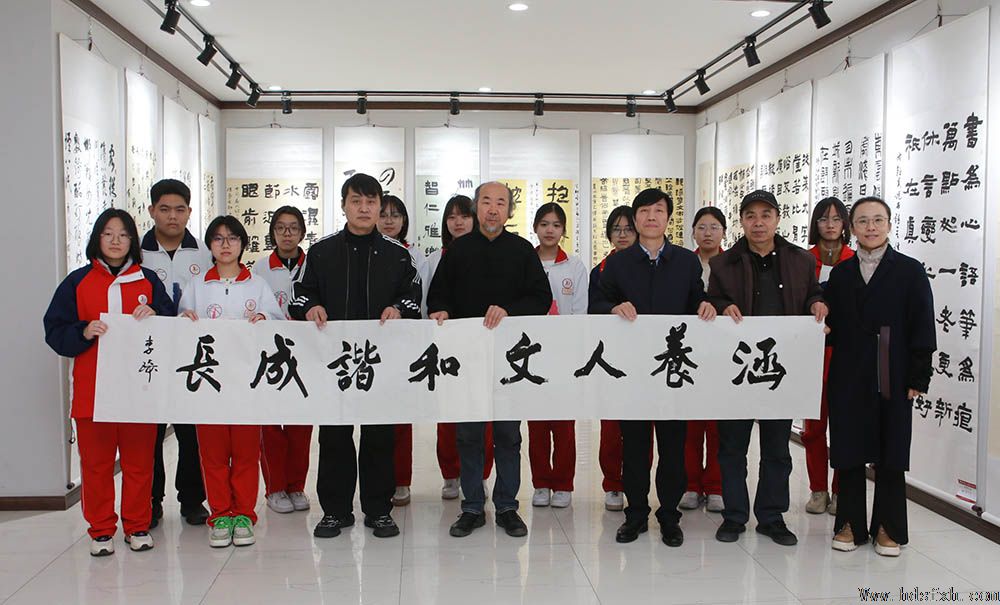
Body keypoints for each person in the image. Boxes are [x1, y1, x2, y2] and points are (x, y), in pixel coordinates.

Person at [290, 173, 422, 540]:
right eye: (356, 201)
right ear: (344, 206)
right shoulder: (322, 252)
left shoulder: (398, 255)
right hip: (334, 364)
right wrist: (311, 306)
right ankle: (335, 511)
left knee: (379, 437)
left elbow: (414, 297)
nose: (364, 208)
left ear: (380, 207)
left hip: (381, 364)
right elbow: (299, 293)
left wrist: (399, 308)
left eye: (371, 202)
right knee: (334, 437)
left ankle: (378, 510)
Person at [591, 188, 717, 547]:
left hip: (672, 371)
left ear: (668, 218)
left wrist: (706, 305)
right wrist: (612, 308)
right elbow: (596, 302)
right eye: (644, 211)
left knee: (673, 448)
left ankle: (669, 516)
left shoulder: (686, 262)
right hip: (632, 371)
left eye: (658, 210)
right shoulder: (618, 263)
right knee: (634, 447)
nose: (651, 217)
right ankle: (635, 514)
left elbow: (696, 299)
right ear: (635, 218)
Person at [44, 208, 174, 556]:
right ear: (97, 239)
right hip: (93, 392)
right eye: (108, 234)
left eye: (123, 234)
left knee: (139, 464)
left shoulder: (148, 281)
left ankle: (137, 525)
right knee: (96, 465)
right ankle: (101, 529)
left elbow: (172, 325)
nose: (116, 241)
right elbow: (54, 331)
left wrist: (157, 314)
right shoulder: (77, 282)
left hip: (139, 392)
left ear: (133, 240)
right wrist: (83, 331)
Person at [427, 181, 551, 539]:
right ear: (476, 208)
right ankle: (471, 507)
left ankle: (508, 506)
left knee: (508, 435)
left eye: (500, 203)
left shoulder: (522, 250)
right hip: (467, 358)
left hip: (511, 360)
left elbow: (541, 298)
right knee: (468, 435)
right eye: (486, 202)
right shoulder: (458, 250)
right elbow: (438, 296)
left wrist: (509, 310)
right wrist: (441, 311)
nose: (493, 209)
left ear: (509, 211)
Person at [707, 190, 827, 547]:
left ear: (777, 219)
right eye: (750, 216)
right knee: (732, 448)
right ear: (741, 221)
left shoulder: (801, 260)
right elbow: (712, 299)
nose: (758, 223)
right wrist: (722, 306)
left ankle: (772, 517)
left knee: (777, 448)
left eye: (765, 215)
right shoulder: (724, 263)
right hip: (738, 369)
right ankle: (734, 516)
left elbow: (812, 293)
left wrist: (817, 303)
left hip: (780, 370)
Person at [825, 196, 935, 557]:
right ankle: (849, 523)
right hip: (849, 372)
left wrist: (918, 377)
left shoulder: (910, 270)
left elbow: (923, 326)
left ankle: (889, 526)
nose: (870, 227)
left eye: (877, 220)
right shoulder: (840, 274)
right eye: (862, 221)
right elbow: (832, 326)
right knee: (848, 447)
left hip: (895, 371)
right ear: (852, 227)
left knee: (891, 449)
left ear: (889, 224)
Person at [179, 216, 284, 548]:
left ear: (242, 244)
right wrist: (184, 319)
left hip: (246, 385)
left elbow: (277, 322)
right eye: (218, 238)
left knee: (245, 453)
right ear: (209, 245)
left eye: (232, 238)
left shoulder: (257, 285)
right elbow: (181, 326)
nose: (225, 245)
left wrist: (265, 318)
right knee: (211, 454)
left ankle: (244, 515)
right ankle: (220, 514)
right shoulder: (198, 286)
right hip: (208, 384)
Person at [141, 178, 211, 527]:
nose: (172, 216)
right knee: (149, 434)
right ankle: (151, 500)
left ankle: (192, 500)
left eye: (180, 209)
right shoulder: (137, 254)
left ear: (189, 212)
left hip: (192, 355)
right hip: (149, 355)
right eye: (165, 209)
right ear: (152, 210)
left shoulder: (205, 254)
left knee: (191, 432)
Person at [426, 195, 496, 501]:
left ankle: (480, 474)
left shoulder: (490, 253)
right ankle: (451, 474)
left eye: (464, 216)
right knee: (448, 415)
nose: (458, 222)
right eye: (452, 217)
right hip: (446, 348)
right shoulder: (433, 260)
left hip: (484, 345)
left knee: (483, 414)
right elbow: (429, 300)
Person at [252, 205, 312, 515]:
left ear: (302, 232)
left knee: (301, 425)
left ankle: (296, 486)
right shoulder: (259, 269)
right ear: (272, 232)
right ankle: (275, 487)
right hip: (270, 357)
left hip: (306, 355)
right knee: (271, 425)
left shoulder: (313, 264)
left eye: (293, 228)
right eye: (280, 228)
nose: (287, 234)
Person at [529, 203, 588, 509]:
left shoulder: (574, 267)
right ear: (535, 228)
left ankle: (563, 483)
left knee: (564, 425)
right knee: (537, 424)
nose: (549, 230)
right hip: (531, 355)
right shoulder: (526, 262)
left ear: (564, 230)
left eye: (555, 224)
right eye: (544, 224)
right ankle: (540, 483)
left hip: (564, 354)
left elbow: (579, 311)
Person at [801, 197, 854, 516]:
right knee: (813, 427)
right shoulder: (803, 260)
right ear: (815, 224)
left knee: (844, 425)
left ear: (845, 223)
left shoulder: (855, 259)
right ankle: (818, 489)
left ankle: (840, 489)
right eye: (824, 219)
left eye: (836, 219)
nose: (830, 225)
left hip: (846, 353)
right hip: (812, 353)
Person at [377, 195, 428, 508]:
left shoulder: (415, 255)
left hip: (405, 343)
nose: (389, 220)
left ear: (404, 220)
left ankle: (401, 481)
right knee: (375, 418)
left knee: (400, 418)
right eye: (383, 214)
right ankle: (378, 480)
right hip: (371, 346)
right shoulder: (368, 251)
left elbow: (420, 299)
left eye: (395, 215)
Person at [587, 206, 639, 513]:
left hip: (643, 358)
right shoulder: (600, 271)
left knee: (640, 427)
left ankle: (636, 483)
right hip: (609, 358)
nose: (622, 235)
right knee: (611, 428)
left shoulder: (649, 266)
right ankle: (613, 484)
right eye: (616, 229)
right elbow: (593, 307)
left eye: (628, 229)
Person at [681, 206, 727, 514]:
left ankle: (716, 486)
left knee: (718, 425)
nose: (707, 233)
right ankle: (690, 484)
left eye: (714, 227)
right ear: (693, 232)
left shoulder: (733, 263)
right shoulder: (684, 264)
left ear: (724, 232)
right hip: (688, 352)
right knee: (691, 424)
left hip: (724, 355)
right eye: (701, 227)